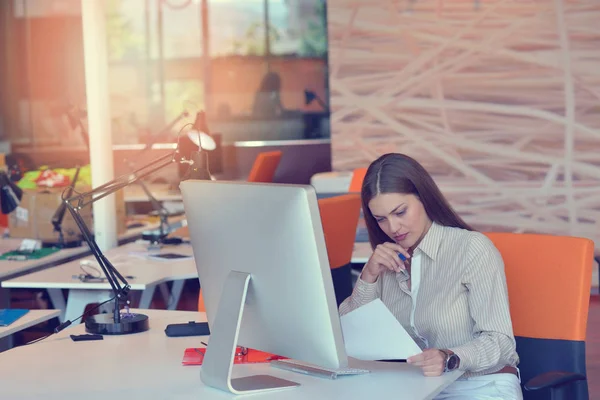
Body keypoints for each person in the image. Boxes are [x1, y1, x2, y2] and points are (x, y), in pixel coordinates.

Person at [339, 153, 522, 399]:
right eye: (381, 219)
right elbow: (350, 337)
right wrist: (369, 276)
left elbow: (502, 344)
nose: (393, 228)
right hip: (416, 388)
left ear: (424, 198)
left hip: (480, 385)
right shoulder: (386, 261)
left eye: (400, 212)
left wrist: (450, 357)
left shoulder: (471, 248)